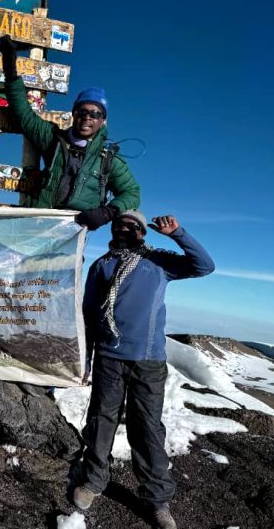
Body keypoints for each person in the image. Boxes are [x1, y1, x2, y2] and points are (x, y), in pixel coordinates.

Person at [75, 211, 215, 529]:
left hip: (148, 361)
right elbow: (89, 316)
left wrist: (178, 233)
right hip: (109, 358)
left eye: (132, 226)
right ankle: (94, 482)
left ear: (142, 233)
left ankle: (157, 500)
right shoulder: (102, 266)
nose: (125, 229)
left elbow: (204, 266)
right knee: (101, 421)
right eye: (120, 225)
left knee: (147, 428)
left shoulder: (159, 262)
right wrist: (85, 359)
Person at [0, 36, 140, 229]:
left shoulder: (108, 160)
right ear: (74, 114)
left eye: (95, 113)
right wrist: (11, 71)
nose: (88, 117)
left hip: (72, 233)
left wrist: (107, 212)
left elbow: (132, 193)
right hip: (36, 223)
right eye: (82, 112)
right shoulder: (53, 139)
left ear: (103, 120)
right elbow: (24, 114)